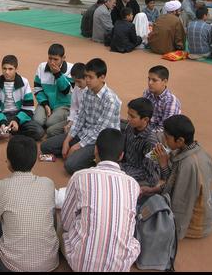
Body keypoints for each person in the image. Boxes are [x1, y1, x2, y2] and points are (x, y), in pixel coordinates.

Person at [0, 135, 59, 272]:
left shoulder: (0, 187)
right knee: (45, 212)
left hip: (14, 267)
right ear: (34, 160)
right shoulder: (48, 183)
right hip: (50, 263)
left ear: (8, 162)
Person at [60, 128, 141, 272]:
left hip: (80, 264)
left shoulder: (80, 176)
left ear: (95, 150)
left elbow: (66, 223)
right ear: (121, 155)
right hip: (119, 267)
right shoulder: (133, 184)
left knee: (60, 222)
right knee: (133, 240)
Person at [41, 58, 121, 174]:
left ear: (102, 77)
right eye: (86, 76)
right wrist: (67, 140)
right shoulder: (87, 92)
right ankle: (81, 155)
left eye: (91, 77)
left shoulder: (111, 100)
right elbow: (80, 118)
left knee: (70, 165)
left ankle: (96, 159)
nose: (87, 80)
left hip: (99, 141)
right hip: (83, 133)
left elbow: (100, 131)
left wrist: (76, 146)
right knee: (45, 146)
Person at [153, 115, 212, 239]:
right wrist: (155, 189)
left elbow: (178, 197)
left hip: (196, 225)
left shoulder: (188, 164)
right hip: (207, 215)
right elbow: (176, 180)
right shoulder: (198, 151)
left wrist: (164, 165)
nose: (165, 141)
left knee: (151, 208)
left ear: (180, 140)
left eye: (167, 138)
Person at [0, 55, 44, 145]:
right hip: (1, 115)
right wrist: (2, 122)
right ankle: (9, 129)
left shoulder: (24, 82)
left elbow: (28, 108)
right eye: (4, 68)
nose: (7, 72)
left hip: (19, 115)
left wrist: (17, 120)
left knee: (39, 132)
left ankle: (10, 130)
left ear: (16, 68)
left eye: (10, 69)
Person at [33, 44, 74, 137]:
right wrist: (45, 104)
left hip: (63, 105)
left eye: (55, 59)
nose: (52, 62)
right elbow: (38, 89)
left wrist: (58, 74)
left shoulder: (71, 69)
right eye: (50, 58)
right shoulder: (41, 67)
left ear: (63, 58)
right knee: (37, 121)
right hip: (46, 103)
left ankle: (68, 118)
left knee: (49, 123)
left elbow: (67, 91)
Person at [121, 98, 160, 193]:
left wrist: (123, 173)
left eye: (132, 116)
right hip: (126, 168)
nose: (128, 119)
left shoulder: (152, 142)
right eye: (128, 115)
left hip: (143, 178)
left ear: (145, 119)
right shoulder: (130, 127)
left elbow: (149, 173)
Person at [141, 65, 182, 134]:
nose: (150, 83)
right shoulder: (147, 92)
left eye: (154, 80)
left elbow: (165, 130)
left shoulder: (171, 102)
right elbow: (141, 113)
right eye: (149, 79)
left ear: (165, 82)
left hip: (159, 136)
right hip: (147, 128)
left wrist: (142, 132)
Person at [64, 63, 87, 134]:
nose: (76, 84)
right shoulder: (77, 88)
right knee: (51, 130)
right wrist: (70, 123)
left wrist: (73, 125)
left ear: (86, 78)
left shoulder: (91, 91)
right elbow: (74, 108)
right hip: (76, 119)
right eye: (75, 81)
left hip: (84, 124)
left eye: (79, 81)